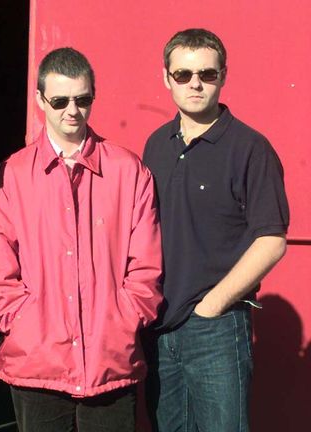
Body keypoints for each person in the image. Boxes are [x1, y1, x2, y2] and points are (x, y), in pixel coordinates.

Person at [0, 47, 162, 432]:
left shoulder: (128, 170)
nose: (72, 110)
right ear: (40, 100)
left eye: (82, 99)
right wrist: (21, 322)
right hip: (37, 364)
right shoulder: (10, 175)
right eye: (60, 100)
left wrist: (124, 319)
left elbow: (146, 265)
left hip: (110, 361)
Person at [142, 28, 289, 432]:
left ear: (223, 76)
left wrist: (213, 306)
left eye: (206, 74)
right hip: (160, 327)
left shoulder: (249, 147)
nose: (195, 83)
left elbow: (272, 240)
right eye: (183, 74)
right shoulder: (156, 145)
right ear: (166, 78)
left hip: (217, 330)